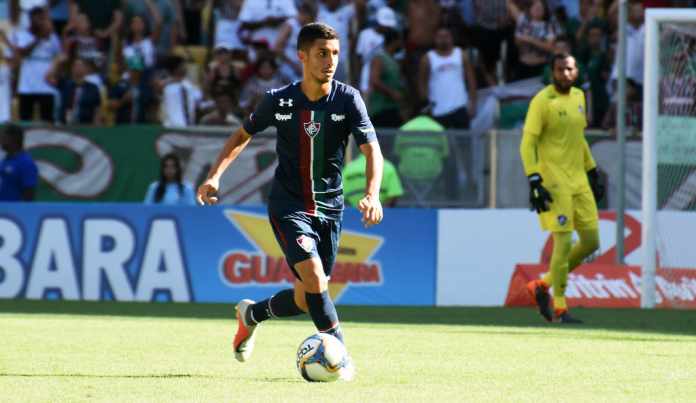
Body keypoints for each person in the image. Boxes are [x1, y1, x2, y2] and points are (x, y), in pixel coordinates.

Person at [196, 22, 383, 378]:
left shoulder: (348, 99)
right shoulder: (278, 100)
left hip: (330, 209)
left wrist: (372, 194)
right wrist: (215, 175)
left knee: (305, 297)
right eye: (322, 53)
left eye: (335, 53)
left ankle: (251, 314)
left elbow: (372, 150)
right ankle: (340, 358)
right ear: (302, 56)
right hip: (289, 206)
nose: (330, 61)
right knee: (315, 279)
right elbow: (242, 135)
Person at [520, 52, 603, 324]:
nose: (565, 74)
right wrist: (534, 179)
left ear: (576, 71)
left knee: (591, 242)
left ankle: (542, 285)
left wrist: (592, 169)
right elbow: (527, 143)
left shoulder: (579, 97)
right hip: (554, 182)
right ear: (552, 72)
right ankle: (560, 306)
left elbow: (579, 139)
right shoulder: (542, 101)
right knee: (564, 242)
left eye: (569, 69)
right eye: (559, 70)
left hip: (579, 180)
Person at [418, 26, 477, 129]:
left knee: (462, 138)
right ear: (434, 39)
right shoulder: (427, 58)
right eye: (440, 37)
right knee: (442, 139)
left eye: (446, 36)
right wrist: (427, 106)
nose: (443, 39)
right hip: (437, 110)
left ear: (452, 38)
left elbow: (471, 80)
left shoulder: (461, 54)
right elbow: (422, 84)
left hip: (460, 107)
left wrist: (473, 103)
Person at [0, 124, 38, 201]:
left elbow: (29, 194)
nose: (1, 141)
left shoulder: (26, 163)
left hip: (13, 208)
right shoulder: (4, 161)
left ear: (13, 139)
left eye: (3, 137)